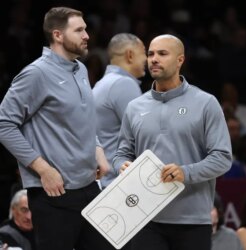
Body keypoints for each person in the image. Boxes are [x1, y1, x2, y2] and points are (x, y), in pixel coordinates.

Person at [0, 7, 114, 250]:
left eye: (85, 29)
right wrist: (43, 170)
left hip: (89, 186)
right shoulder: (35, 74)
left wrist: (97, 149)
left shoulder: (81, 69)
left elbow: (81, 119)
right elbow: (4, 124)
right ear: (58, 35)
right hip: (54, 192)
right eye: (79, 30)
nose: (87, 36)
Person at [113, 34, 232, 250]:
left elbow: (222, 158)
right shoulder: (135, 107)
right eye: (150, 54)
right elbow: (121, 153)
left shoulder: (205, 103)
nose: (154, 59)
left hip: (192, 221)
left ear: (180, 60)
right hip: (144, 217)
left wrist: (185, 172)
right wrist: (121, 165)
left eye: (162, 53)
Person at [93, 33, 146, 188]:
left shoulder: (103, 83)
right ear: (130, 55)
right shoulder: (124, 84)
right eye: (144, 53)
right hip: (118, 184)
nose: (147, 60)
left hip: (105, 181)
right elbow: (144, 136)